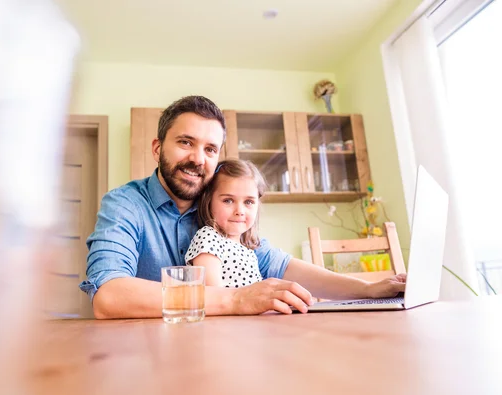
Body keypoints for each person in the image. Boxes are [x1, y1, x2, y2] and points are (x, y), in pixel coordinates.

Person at [80, 95, 406, 319]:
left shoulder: (219, 212)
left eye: (210, 149)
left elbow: (285, 267)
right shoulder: (125, 204)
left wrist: (367, 289)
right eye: (185, 142)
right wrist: (234, 299)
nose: (198, 158)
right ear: (157, 148)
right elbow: (109, 296)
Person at [185, 159, 267, 288]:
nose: (240, 211)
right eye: (228, 200)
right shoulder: (209, 237)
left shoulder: (248, 248)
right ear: (209, 201)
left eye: (248, 202)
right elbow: (213, 293)